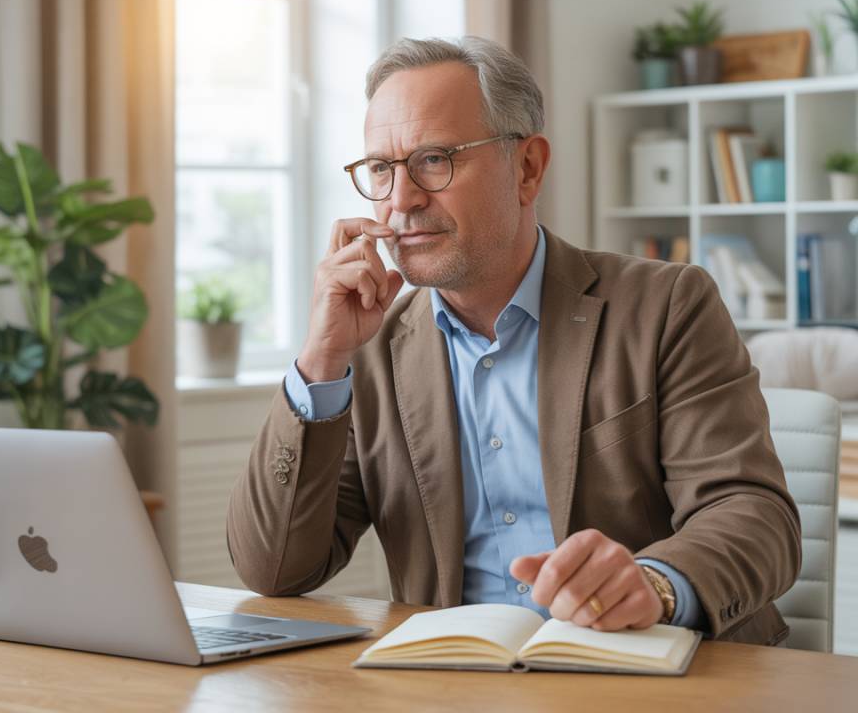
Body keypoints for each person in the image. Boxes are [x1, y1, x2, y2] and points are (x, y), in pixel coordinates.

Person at [226, 36, 800, 644]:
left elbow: (756, 517)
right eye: (381, 169)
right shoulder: (366, 348)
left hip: (652, 675)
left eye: (434, 159)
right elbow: (275, 570)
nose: (401, 201)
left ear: (526, 168)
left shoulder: (667, 305)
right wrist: (320, 362)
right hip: (458, 679)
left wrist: (655, 585)